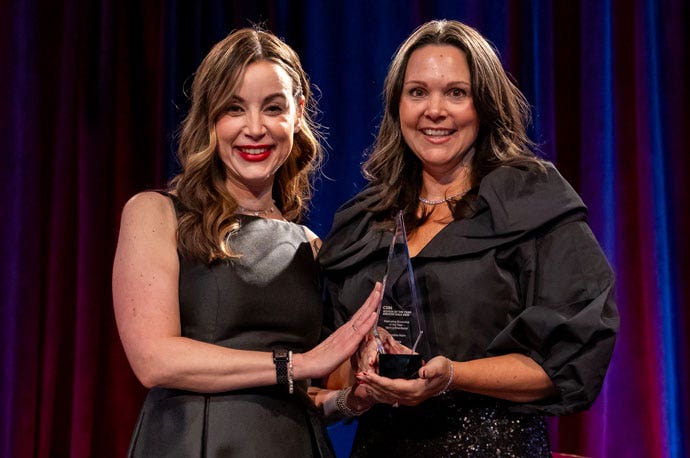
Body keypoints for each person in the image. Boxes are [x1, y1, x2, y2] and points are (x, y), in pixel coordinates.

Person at [318, 19, 619, 457]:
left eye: (456, 93)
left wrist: (453, 375)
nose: (434, 110)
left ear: (485, 105)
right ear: (397, 105)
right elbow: (327, 373)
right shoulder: (362, 222)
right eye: (417, 92)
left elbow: (567, 359)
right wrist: (362, 362)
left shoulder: (531, 202)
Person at [112, 27, 381, 458]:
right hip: (193, 445)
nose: (254, 128)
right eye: (234, 108)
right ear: (210, 117)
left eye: (273, 108)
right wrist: (294, 364)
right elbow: (153, 360)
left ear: (297, 113)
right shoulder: (156, 214)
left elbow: (306, 396)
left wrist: (353, 398)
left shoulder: (311, 247)